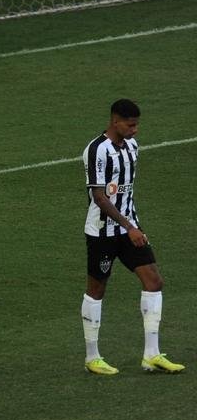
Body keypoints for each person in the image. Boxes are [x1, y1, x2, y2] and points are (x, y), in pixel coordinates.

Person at [81, 99, 183, 375]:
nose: (135, 130)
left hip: (129, 229)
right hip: (103, 233)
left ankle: (151, 355)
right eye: (131, 124)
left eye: (137, 125)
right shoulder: (96, 150)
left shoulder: (132, 147)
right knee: (97, 289)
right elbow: (99, 197)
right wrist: (129, 226)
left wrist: (131, 226)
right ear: (115, 121)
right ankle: (92, 358)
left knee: (154, 280)